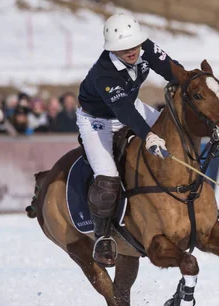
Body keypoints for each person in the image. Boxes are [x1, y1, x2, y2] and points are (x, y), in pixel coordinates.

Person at [77, 13, 181, 266]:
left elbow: (173, 70)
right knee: (107, 179)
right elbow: (124, 112)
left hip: (131, 105)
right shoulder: (104, 72)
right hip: (98, 121)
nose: (131, 51)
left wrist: (198, 83)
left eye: (134, 45)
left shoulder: (145, 47)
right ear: (113, 49)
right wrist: (149, 136)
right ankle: (102, 237)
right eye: (123, 49)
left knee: (177, 139)